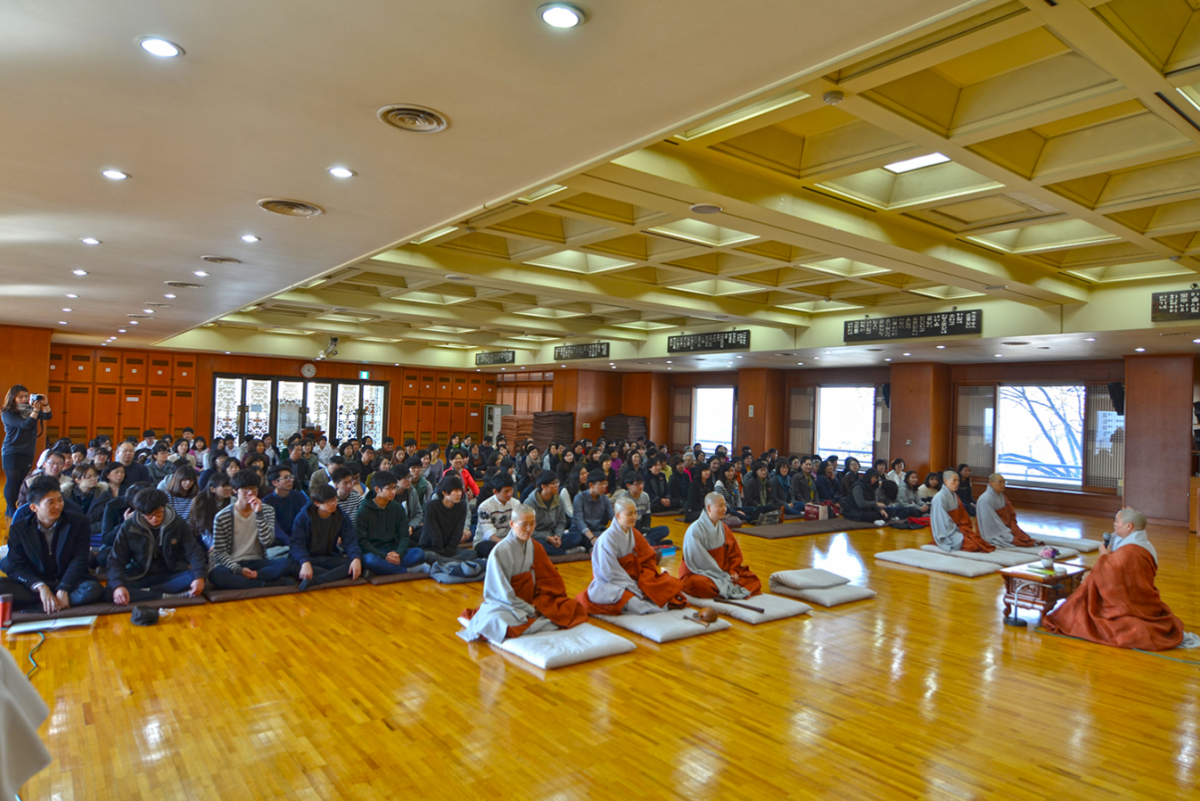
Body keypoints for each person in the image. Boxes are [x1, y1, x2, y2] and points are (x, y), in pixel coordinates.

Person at [1045, 508, 1196, 651]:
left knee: (1081, 610)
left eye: (1117, 521)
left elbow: (1109, 572)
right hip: (1143, 597)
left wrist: (1104, 556)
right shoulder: (1145, 545)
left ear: (1129, 526)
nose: (1114, 524)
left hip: (1128, 602)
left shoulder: (1129, 551)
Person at [458, 504, 588, 643]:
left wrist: (539, 604)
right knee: (497, 621)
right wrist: (529, 609)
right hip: (507, 606)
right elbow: (502, 594)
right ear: (512, 524)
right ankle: (535, 621)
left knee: (572, 607)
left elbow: (549, 579)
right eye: (524, 524)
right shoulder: (499, 552)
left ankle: (533, 621)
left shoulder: (535, 546)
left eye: (532, 524)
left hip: (532, 601)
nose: (529, 529)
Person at [0, 476, 103, 613]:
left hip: (67, 580)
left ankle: (41, 604)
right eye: (51, 502)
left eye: (60, 500)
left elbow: (79, 559)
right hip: (36, 582)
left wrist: (64, 587)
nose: (58, 506)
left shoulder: (79, 522)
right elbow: (15, 566)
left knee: (92, 589)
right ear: (34, 507)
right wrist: (40, 587)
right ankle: (51, 601)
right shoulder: (19, 528)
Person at [576, 497, 687, 615]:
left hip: (632, 578)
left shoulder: (633, 533)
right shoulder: (607, 539)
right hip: (609, 584)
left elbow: (648, 557)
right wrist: (634, 588)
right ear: (618, 515)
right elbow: (609, 573)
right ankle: (651, 608)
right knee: (630, 599)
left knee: (664, 584)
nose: (634, 517)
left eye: (635, 513)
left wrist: (646, 579)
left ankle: (652, 601)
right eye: (630, 514)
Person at [106, 489, 208, 603]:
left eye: (159, 513)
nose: (154, 518)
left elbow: (193, 551)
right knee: (111, 589)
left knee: (194, 576)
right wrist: (118, 586)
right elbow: (116, 559)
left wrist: (199, 577)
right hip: (138, 575)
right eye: (149, 515)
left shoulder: (178, 523)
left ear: (164, 507)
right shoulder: (128, 526)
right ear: (141, 512)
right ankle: (165, 595)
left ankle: (147, 593)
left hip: (170, 573)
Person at [208, 471, 292, 589]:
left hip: (258, 562)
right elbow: (219, 552)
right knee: (216, 574)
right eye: (246, 490)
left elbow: (267, 542)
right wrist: (239, 570)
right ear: (235, 490)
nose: (250, 493)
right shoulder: (222, 516)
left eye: (254, 489)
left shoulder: (267, 510)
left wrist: (259, 514)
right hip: (233, 563)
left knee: (285, 563)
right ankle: (267, 583)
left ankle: (250, 581)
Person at [678, 492, 761, 600]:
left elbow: (734, 553)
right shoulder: (694, 531)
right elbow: (698, 563)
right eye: (720, 506)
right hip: (700, 572)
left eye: (725, 505)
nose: (724, 509)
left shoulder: (723, 528)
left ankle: (723, 588)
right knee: (698, 584)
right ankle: (725, 587)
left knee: (752, 578)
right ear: (709, 508)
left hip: (723, 571)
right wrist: (722, 576)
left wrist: (732, 571)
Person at [289, 484, 363, 588]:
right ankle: (332, 576)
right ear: (317, 503)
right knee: (294, 567)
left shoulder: (342, 517)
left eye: (335, 499)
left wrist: (356, 558)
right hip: (309, 557)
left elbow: (350, 541)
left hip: (329, 557)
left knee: (356, 563)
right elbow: (296, 544)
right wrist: (305, 562)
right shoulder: (303, 518)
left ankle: (316, 580)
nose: (333, 504)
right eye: (328, 502)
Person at [356, 471, 424, 575]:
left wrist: (399, 553)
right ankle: (407, 570)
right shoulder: (363, 510)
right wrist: (384, 557)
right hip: (375, 552)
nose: (393, 491)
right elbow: (362, 541)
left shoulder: (397, 508)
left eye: (394, 488)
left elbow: (404, 535)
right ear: (377, 489)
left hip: (394, 549)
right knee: (369, 560)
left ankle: (383, 569)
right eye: (389, 488)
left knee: (419, 553)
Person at [2, 385, 52, 517]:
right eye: (20, 397)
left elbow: (48, 416)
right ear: (13, 398)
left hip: (28, 449)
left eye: (25, 396)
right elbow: (25, 424)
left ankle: (16, 507)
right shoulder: (7, 413)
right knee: (12, 481)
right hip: (12, 450)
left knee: (21, 481)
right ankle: (11, 509)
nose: (24, 399)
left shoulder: (31, 410)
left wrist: (45, 403)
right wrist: (35, 411)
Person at [930, 470, 993, 552]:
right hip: (946, 532)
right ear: (946, 481)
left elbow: (962, 515)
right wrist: (956, 529)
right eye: (954, 480)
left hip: (956, 527)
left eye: (958, 480)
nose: (957, 483)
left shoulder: (955, 496)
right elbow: (942, 521)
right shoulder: (939, 498)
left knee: (977, 540)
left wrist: (963, 527)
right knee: (972, 545)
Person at [418, 474, 475, 563]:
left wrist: (449, 552)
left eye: (460, 490)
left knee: (472, 553)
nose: (459, 494)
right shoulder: (431, 506)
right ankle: (453, 563)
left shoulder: (462, 505)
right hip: (430, 547)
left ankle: (447, 562)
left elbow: (458, 531)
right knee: (428, 556)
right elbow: (434, 534)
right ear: (444, 492)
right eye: (455, 490)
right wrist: (441, 553)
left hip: (449, 549)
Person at [976, 474, 1040, 548]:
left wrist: (1012, 527)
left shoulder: (1001, 496)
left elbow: (1010, 513)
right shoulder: (985, 499)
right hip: (993, 530)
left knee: (1022, 536)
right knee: (1013, 540)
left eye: (1004, 482)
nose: (1003, 484)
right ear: (991, 483)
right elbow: (989, 522)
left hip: (1005, 526)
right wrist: (1005, 531)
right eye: (1000, 482)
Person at [612, 474, 672, 547]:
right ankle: (650, 542)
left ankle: (645, 541)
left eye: (641, 483)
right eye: (637, 484)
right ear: (628, 485)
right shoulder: (622, 499)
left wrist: (645, 530)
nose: (640, 486)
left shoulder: (645, 496)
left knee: (664, 529)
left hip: (640, 529)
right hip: (628, 530)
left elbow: (647, 516)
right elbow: (621, 522)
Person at [530, 470, 581, 556]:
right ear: (544, 486)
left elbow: (561, 522)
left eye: (557, 482)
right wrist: (547, 538)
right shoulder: (530, 503)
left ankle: (554, 549)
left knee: (577, 536)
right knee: (536, 544)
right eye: (553, 483)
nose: (557, 485)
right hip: (539, 537)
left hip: (553, 534)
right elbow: (529, 530)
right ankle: (564, 552)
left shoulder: (559, 499)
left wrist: (557, 536)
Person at [474, 472, 521, 558]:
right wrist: (504, 545)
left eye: (511, 489)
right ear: (495, 491)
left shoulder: (516, 503)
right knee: (493, 549)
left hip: (507, 540)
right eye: (506, 491)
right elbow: (488, 533)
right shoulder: (485, 507)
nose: (510, 493)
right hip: (486, 541)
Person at [570, 469, 615, 551]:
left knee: (611, 537)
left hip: (596, 530)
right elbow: (579, 521)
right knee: (578, 538)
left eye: (605, 483)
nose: (604, 487)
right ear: (591, 485)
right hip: (581, 531)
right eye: (600, 484)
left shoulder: (605, 499)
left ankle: (594, 548)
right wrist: (592, 538)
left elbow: (613, 517)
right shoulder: (579, 498)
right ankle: (593, 548)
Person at [262, 465, 308, 545]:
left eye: (291, 477)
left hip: (299, 537)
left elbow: (304, 520)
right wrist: (290, 543)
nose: (290, 480)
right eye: (286, 478)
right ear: (275, 482)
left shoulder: (299, 496)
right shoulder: (267, 501)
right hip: (279, 540)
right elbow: (275, 528)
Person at [188, 472, 233, 549]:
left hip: (226, 539)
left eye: (229, 486)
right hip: (203, 540)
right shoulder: (200, 501)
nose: (228, 489)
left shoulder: (233, 501)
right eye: (224, 486)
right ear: (212, 489)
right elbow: (200, 528)